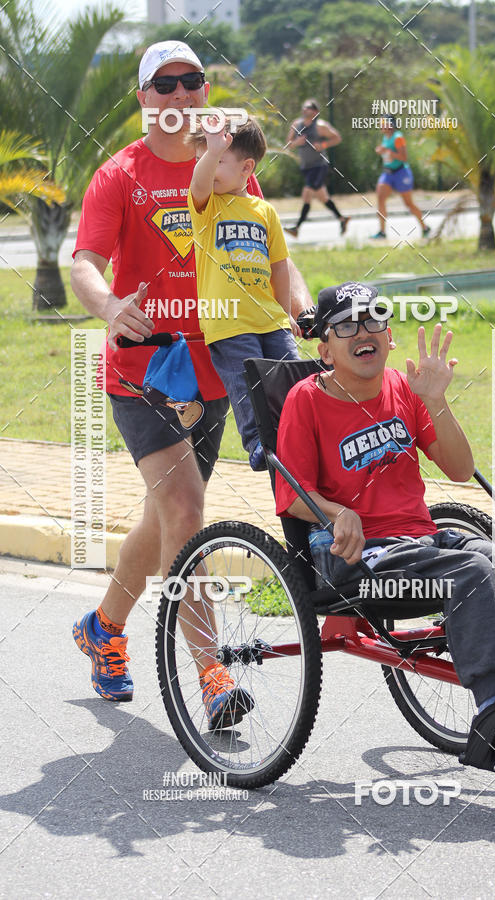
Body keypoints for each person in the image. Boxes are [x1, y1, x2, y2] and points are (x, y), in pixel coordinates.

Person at [70, 41, 311, 727]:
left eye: (191, 83)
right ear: (144, 98)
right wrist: (110, 306)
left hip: (220, 367)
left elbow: (274, 258)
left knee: (167, 515)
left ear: (205, 93)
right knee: (183, 508)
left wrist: (305, 311)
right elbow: (85, 261)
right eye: (164, 86)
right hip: (145, 367)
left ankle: (103, 628)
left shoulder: (233, 165)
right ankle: (210, 672)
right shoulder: (119, 175)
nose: (179, 96)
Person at [275, 281, 495, 755]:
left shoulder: (404, 388)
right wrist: (341, 513)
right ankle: (490, 707)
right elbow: (291, 493)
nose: (363, 331)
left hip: (420, 543)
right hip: (359, 563)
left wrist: (436, 400)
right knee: (471, 571)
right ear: (324, 348)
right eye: (346, 325)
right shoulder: (306, 400)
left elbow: (460, 470)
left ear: (389, 336)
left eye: (373, 320)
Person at [187, 116, 300, 472]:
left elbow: (279, 267)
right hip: (229, 320)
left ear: (246, 168)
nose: (206, 165)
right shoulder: (206, 207)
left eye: (218, 159)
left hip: (269, 318)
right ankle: (259, 444)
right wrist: (213, 152)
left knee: (290, 374)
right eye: (202, 158)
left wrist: (284, 315)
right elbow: (199, 181)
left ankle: (297, 434)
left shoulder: (264, 211)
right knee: (247, 380)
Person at [284, 98, 350, 239]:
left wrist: (324, 145)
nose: (304, 109)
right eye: (304, 107)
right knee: (322, 197)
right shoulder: (296, 124)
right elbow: (288, 144)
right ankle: (342, 219)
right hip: (306, 167)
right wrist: (296, 142)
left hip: (319, 166)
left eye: (308, 107)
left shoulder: (321, 126)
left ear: (315, 112)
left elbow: (337, 138)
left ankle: (297, 227)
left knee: (307, 193)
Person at [372, 119, 430, 240]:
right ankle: (382, 232)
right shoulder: (385, 137)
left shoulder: (398, 137)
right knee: (380, 198)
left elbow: (404, 157)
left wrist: (389, 152)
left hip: (401, 172)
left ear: (390, 124)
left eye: (384, 123)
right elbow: (387, 151)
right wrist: (381, 150)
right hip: (388, 172)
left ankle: (425, 227)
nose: (381, 125)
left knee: (408, 203)